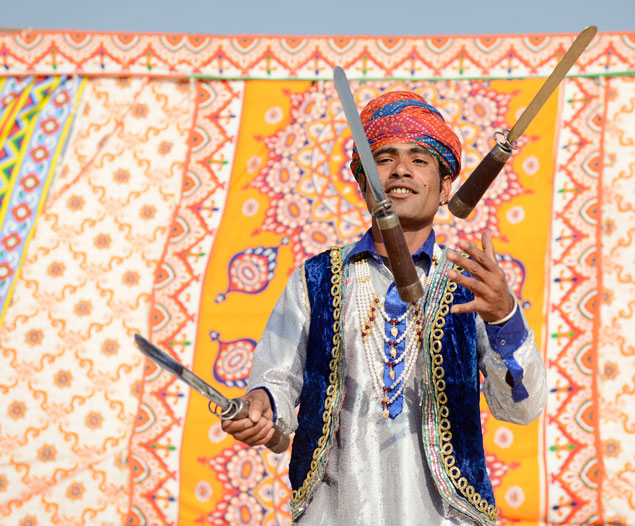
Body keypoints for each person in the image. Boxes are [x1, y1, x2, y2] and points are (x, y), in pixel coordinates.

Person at [221, 90, 547, 526]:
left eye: (419, 158)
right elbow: (277, 381)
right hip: (335, 513)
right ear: (362, 182)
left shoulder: (473, 281)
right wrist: (262, 407)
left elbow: (522, 410)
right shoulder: (315, 279)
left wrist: (505, 318)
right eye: (384, 157)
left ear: (446, 185)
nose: (400, 171)